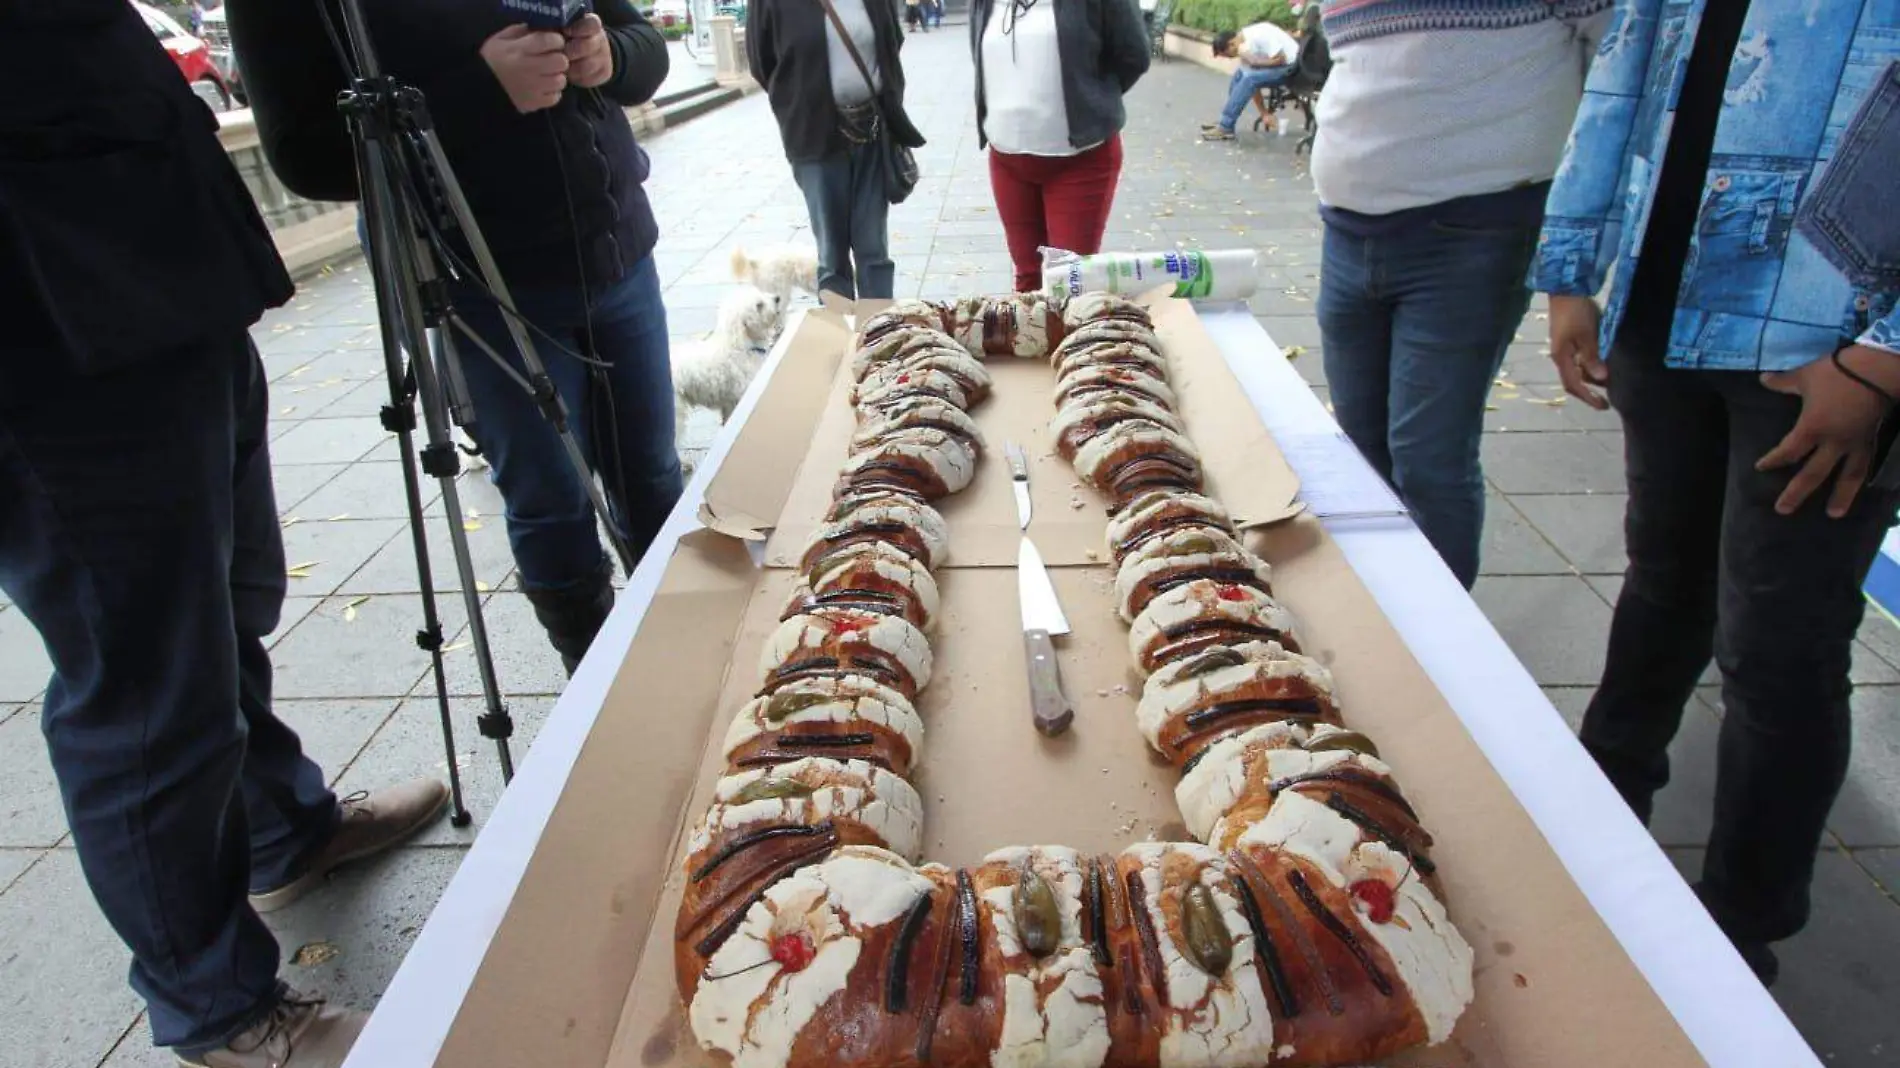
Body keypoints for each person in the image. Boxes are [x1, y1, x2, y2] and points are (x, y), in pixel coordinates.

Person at [0, 3, 449, 1065]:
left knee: (235, 595)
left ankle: (278, 830)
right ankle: (218, 1008)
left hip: (154, 243)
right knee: (147, 681)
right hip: (45, 309)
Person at [1535, 1, 1900, 984]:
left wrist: (1882, 356)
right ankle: (1589, 828)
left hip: (1825, 347)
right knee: (1661, 587)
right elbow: (1622, 73)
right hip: (1659, 310)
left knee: (1777, 651)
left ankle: (1742, 930)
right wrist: (1571, 269)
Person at [230, 0, 684, 674]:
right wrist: (473, 92)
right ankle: (600, 687)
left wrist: (612, 56)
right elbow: (304, 153)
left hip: (620, 255)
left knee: (652, 475)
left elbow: (645, 45)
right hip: (480, 288)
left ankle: (688, 647)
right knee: (553, 506)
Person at [1310, 0, 1608, 588]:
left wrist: (1570, 270)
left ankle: (1436, 657)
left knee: (1429, 458)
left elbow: (1616, 82)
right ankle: (1379, 610)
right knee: (1362, 447)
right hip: (1347, 230)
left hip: (1473, 233)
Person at [749, 0, 924, 302]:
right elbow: (761, 62)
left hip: (872, 131)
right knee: (832, 256)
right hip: (814, 137)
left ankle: (880, 337)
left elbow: (891, 40)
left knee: (874, 249)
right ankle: (837, 341)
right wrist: (799, 103)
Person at [971, 0, 1150, 292]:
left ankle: (1077, 337)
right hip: (1008, 159)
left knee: (1070, 284)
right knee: (1028, 279)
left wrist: (1092, 99)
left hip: (1080, 160)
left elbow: (1134, 56)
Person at [1199, 19, 1298, 141]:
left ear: (1232, 44)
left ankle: (1225, 127)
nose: (1230, 58)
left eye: (1229, 55)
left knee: (1249, 78)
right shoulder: (1245, 43)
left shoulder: (1258, 36)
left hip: (1292, 67)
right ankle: (1224, 122)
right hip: (1281, 65)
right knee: (1241, 74)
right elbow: (1251, 78)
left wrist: (1257, 63)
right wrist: (1264, 113)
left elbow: (1281, 58)